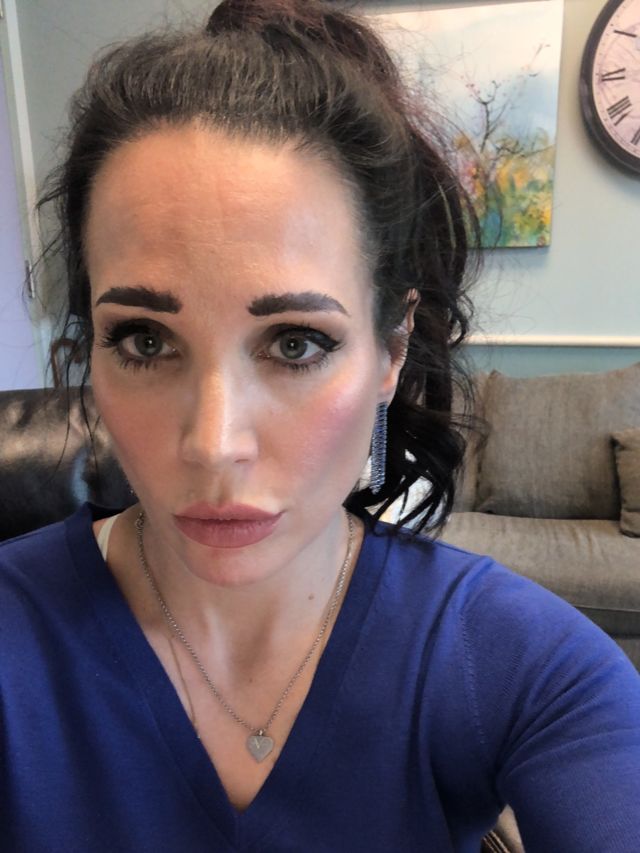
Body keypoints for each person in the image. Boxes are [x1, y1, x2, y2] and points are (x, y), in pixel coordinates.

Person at [1, 1, 639, 850]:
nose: (214, 443)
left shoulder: (526, 668)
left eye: (295, 343)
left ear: (390, 351)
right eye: (146, 340)